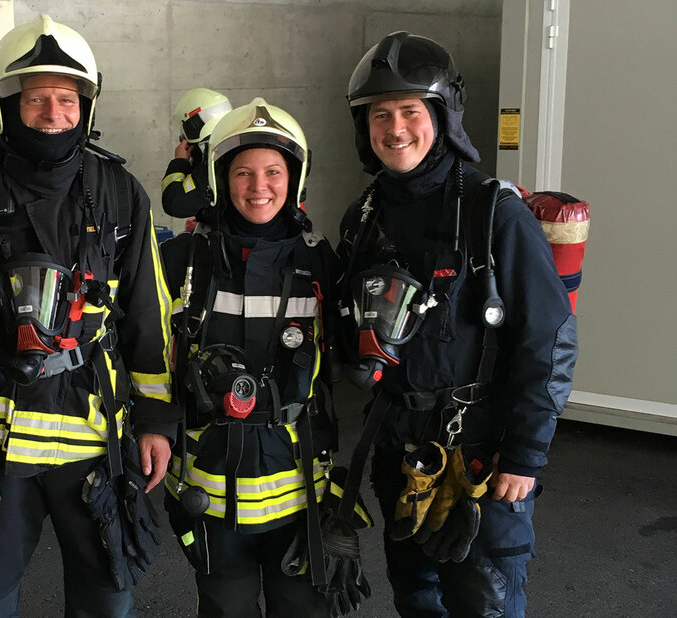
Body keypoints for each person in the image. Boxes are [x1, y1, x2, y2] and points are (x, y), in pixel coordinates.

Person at [0, 14, 178, 617]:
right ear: (4, 103)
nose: (52, 113)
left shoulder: (118, 191)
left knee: (106, 597)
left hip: (96, 438)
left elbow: (148, 313)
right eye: (35, 98)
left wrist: (157, 421)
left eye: (67, 99)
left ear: (86, 106)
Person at [337, 31, 577, 617]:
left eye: (411, 112)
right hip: (399, 449)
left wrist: (524, 455)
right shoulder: (364, 216)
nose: (395, 129)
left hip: (483, 459)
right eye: (380, 115)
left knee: (484, 605)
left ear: (442, 117)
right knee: (416, 599)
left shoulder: (497, 213)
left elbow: (548, 343)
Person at [161, 97, 372, 618]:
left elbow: (361, 359)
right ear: (220, 179)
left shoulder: (321, 261)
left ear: (294, 179)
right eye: (243, 172)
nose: (259, 187)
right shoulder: (181, 261)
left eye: (274, 171)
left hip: (300, 498)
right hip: (209, 493)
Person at [161, 88, 232, 220]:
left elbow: (174, 204)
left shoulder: (215, 160)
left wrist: (180, 162)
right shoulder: (229, 149)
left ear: (194, 125)